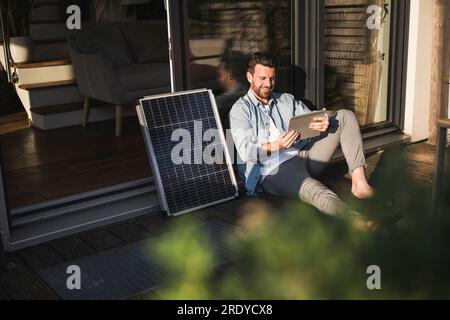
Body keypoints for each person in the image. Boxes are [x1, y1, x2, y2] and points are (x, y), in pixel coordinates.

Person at [229, 52, 375, 221]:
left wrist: (322, 121)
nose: (268, 84)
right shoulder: (240, 110)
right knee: (317, 191)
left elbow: (310, 117)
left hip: (302, 153)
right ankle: (356, 221)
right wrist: (278, 145)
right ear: (249, 76)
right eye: (262, 78)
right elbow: (246, 151)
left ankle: (359, 183)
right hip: (274, 169)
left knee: (345, 116)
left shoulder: (285, 100)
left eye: (272, 78)